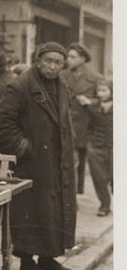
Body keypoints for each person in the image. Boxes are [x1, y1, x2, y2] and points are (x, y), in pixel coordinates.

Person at [0, 42, 77, 270]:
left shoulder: (61, 85)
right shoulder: (20, 85)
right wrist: (24, 147)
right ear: (38, 61)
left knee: (53, 210)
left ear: (63, 65)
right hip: (32, 162)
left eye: (58, 63)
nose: (52, 66)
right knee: (31, 210)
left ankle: (48, 259)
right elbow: (1, 122)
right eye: (48, 61)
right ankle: (27, 261)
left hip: (56, 160)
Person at [60, 43, 101, 194]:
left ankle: (77, 191)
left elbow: (104, 102)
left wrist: (90, 102)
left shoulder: (95, 78)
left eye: (73, 57)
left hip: (85, 126)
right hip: (65, 124)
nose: (68, 60)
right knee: (72, 161)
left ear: (83, 59)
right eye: (68, 57)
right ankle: (72, 194)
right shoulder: (62, 76)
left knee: (80, 160)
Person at [81, 78, 113, 216]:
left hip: (114, 147)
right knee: (99, 178)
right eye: (99, 91)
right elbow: (89, 126)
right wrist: (90, 145)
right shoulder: (94, 107)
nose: (101, 93)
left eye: (104, 90)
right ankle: (104, 205)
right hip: (96, 147)